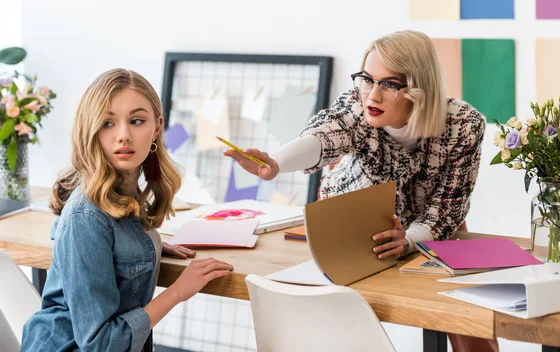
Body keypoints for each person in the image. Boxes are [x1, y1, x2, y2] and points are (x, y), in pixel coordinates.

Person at [224, 30, 498, 352]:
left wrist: (410, 240)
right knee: (342, 318)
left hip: (434, 225)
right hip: (358, 222)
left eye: (390, 84)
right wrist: (276, 163)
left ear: (419, 88)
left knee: (468, 321)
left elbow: (448, 205)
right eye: (367, 79)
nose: (373, 95)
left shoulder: (463, 125)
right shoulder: (358, 104)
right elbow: (326, 135)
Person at [21, 69, 233, 351]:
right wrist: (178, 292)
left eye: (136, 121)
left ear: (157, 126)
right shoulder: (86, 215)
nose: (123, 135)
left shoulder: (123, 197)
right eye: (107, 123)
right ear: (90, 129)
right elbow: (99, 343)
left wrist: (147, 244)